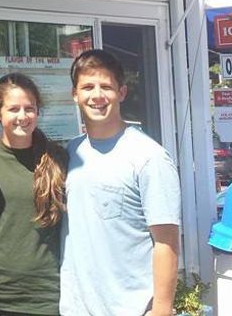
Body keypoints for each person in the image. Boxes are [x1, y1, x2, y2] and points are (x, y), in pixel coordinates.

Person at [60, 49, 181, 316]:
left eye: (106, 87)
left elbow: (167, 241)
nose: (97, 96)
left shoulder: (149, 157)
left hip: (129, 309)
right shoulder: (71, 152)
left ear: (122, 93)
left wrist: (162, 310)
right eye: (88, 87)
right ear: (75, 95)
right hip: (75, 307)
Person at [0, 73, 67, 316]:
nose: (22, 117)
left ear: (38, 111)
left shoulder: (58, 159)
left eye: (29, 108)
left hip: (49, 295)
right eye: (13, 109)